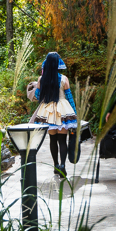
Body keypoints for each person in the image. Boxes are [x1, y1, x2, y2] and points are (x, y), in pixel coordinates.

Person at [31, 51, 78, 180]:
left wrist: (37, 86)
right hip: (63, 110)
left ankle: (56, 165)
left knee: (52, 140)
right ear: (57, 63)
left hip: (48, 111)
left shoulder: (42, 79)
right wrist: (75, 114)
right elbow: (69, 97)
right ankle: (63, 165)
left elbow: (37, 96)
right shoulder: (64, 79)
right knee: (62, 140)